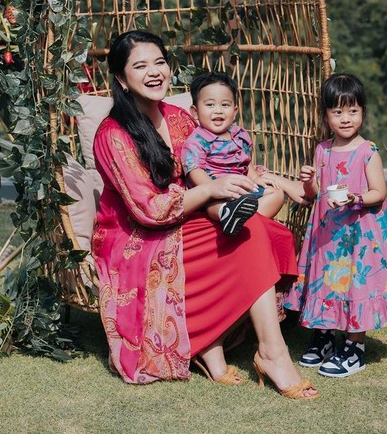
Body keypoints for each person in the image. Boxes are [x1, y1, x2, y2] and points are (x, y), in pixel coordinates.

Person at [90, 29, 319, 399]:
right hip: (139, 238)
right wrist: (210, 190)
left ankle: (235, 344)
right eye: (140, 65)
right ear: (121, 78)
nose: (154, 72)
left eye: (160, 62)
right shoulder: (113, 135)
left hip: (188, 216)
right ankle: (272, 354)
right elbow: (148, 210)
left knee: (263, 230)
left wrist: (282, 182)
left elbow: (222, 165)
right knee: (254, 232)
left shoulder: (180, 118)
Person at [284, 73, 387, 378]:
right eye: (337, 111)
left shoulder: (368, 151)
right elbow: (315, 195)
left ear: (363, 112)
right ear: (325, 115)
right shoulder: (322, 150)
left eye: (352, 111)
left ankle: (355, 347)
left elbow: (380, 192)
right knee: (326, 282)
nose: (345, 118)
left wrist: (356, 197)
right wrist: (308, 182)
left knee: (356, 284)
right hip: (328, 235)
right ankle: (326, 336)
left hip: (359, 235)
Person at [181, 71, 293, 236]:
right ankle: (229, 214)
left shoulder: (239, 135)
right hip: (216, 192)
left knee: (276, 194)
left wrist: (256, 180)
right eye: (210, 105)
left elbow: (246, 162)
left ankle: (243, 220)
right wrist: (212, 188)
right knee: (214, 205)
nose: (218, 111)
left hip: (243, 190)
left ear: (234, 112)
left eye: (224, 105)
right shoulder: (196, 141)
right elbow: (194, 170)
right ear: (195, 111)